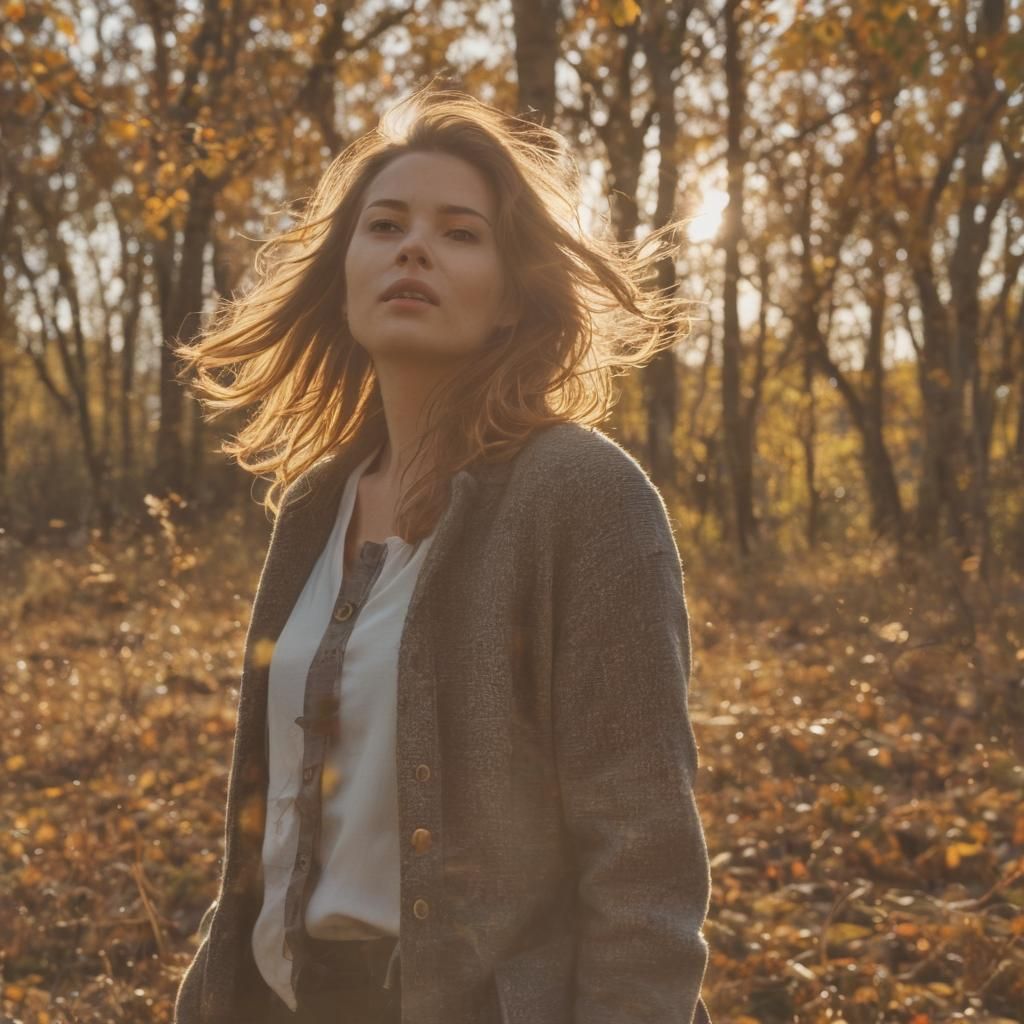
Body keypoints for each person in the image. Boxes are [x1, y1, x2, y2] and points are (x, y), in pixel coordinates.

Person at [171, 80, 713, 1024]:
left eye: (461, 233)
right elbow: (275, 829)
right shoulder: (312, 508)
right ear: (345, 274)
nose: (413, 245)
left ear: (511, 301)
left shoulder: (581, 495)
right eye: (385, 225)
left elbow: (644, 852)